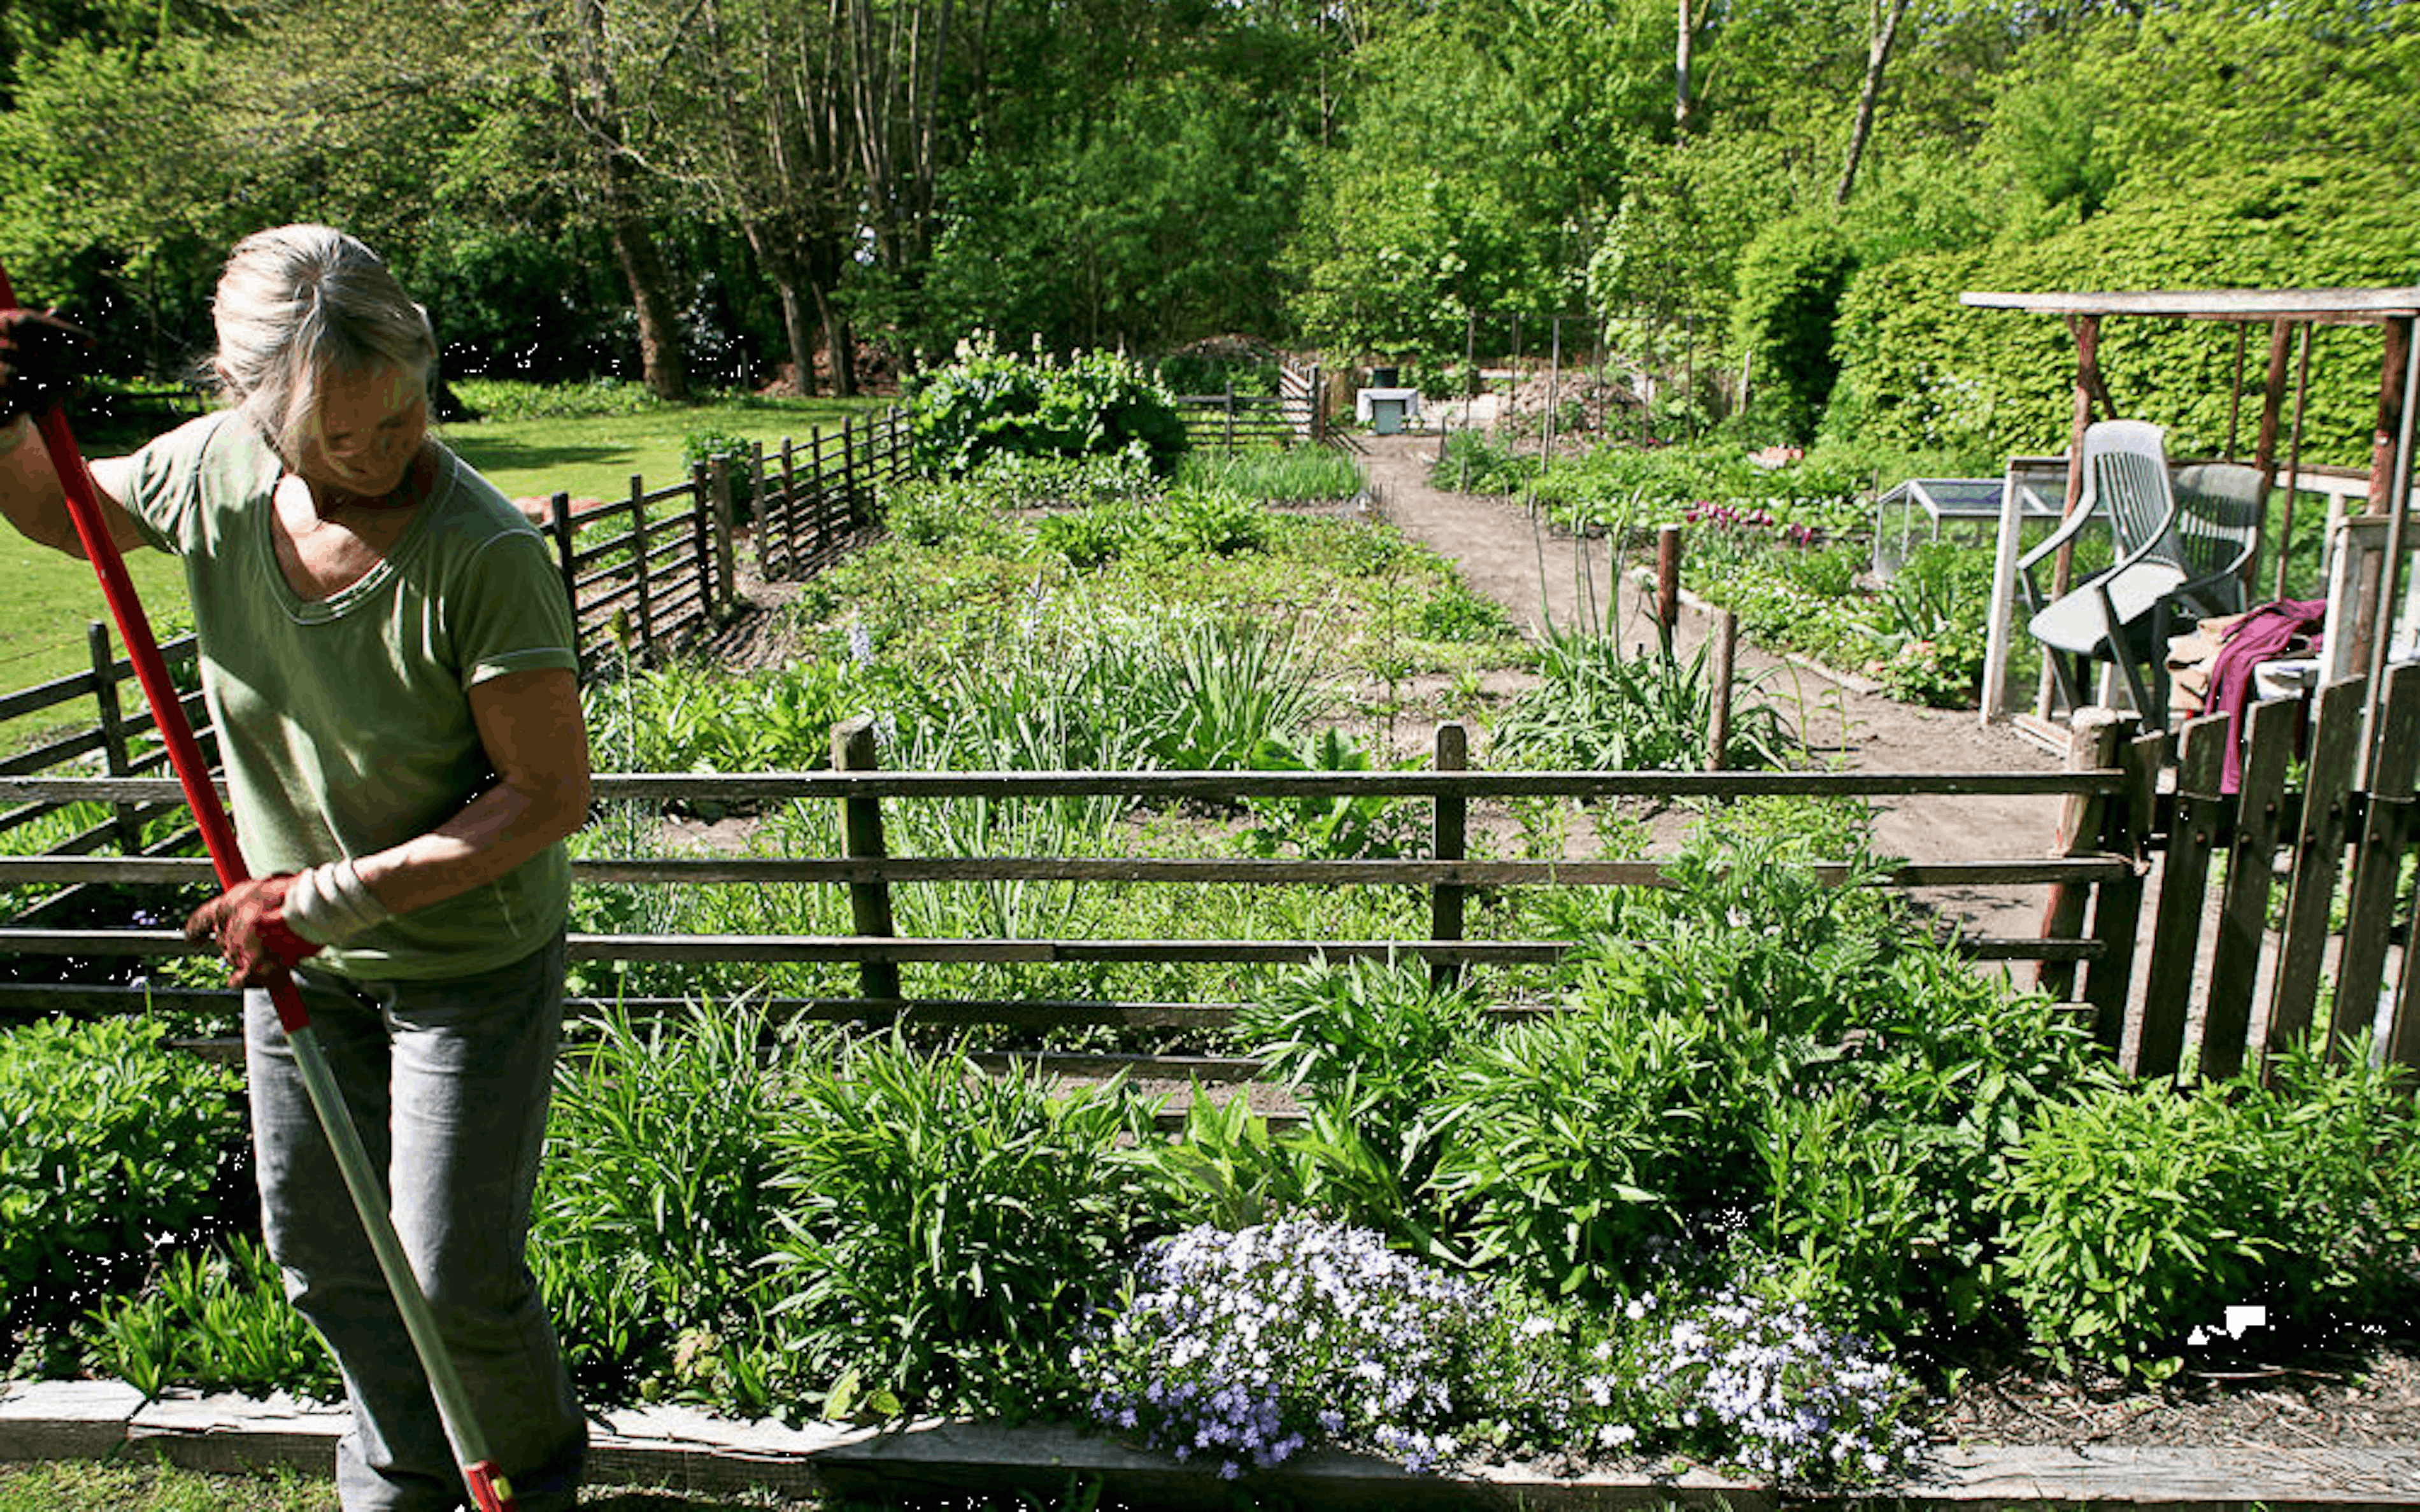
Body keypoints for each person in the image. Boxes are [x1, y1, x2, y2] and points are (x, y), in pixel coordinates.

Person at [0, 226, 592, 1512]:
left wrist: (320, 898)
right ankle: (403, 1477)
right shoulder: (208, 475)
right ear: (248, 401)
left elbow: (548, 794)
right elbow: (60, 508)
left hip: (461, 961)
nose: (384, 452)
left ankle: (533, 1481)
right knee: (324, 1256)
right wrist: (7, 422)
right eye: (339, 435)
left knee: (449, 1273)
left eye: (402, 413)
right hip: (296, 960)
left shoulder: (480, 553)